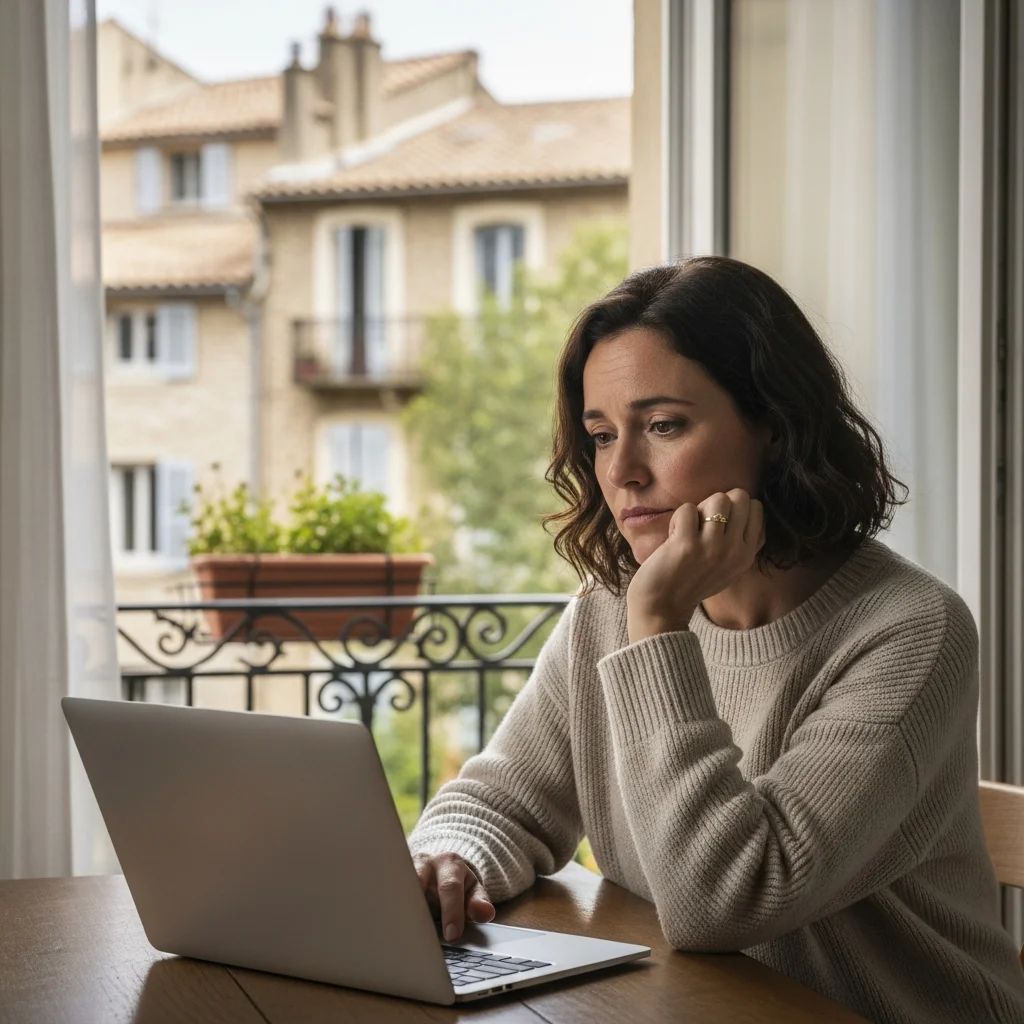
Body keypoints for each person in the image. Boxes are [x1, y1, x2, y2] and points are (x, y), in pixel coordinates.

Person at [408, 257, 1024, 1023]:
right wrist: (450, 861)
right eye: (601, 435)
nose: (623, 471)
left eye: (663, 426)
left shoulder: (909, 629)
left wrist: (661, 622)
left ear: (773, 427)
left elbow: (725, 901)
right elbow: (504, 802)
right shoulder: (610, 611)